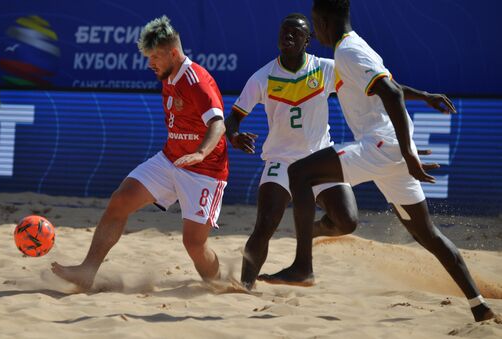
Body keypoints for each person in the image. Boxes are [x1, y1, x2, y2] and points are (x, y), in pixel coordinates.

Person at [260, 0, 495, 322]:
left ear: (326, 22)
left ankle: (302, 266)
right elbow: (389, 87)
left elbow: (391, 94)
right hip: (391, 152)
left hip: (381, 146)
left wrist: (408, 152)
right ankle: (478, 305)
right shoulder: (352, 50)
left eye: (315, 23)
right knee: (428, 235)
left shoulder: (348, 52)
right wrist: (424, 99)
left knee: (300, 172)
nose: (315, 31)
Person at [227, 13, 455, 290]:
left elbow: (384, 88)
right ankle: (244, 287)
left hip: (319, 157)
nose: (287, 36)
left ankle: (309, 231)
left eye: (295, 33)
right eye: (283, 32)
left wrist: (424, 95)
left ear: (307, 40)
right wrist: (234, 135)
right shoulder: (262, 77)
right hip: (281, 159)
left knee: (347, 222)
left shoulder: (326, 69)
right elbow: (235, 117)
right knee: (265, 224)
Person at [51, 15, 228, 290]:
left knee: (194, 244)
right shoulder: (168, 73)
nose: (150, 63)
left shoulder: (196, 80)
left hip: (204, 170)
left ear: (173, 52)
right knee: (120, 200)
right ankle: (87, 271)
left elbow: (218, 123)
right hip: (170, 159)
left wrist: (202, 153)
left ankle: (220, 285)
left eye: (155, 56)